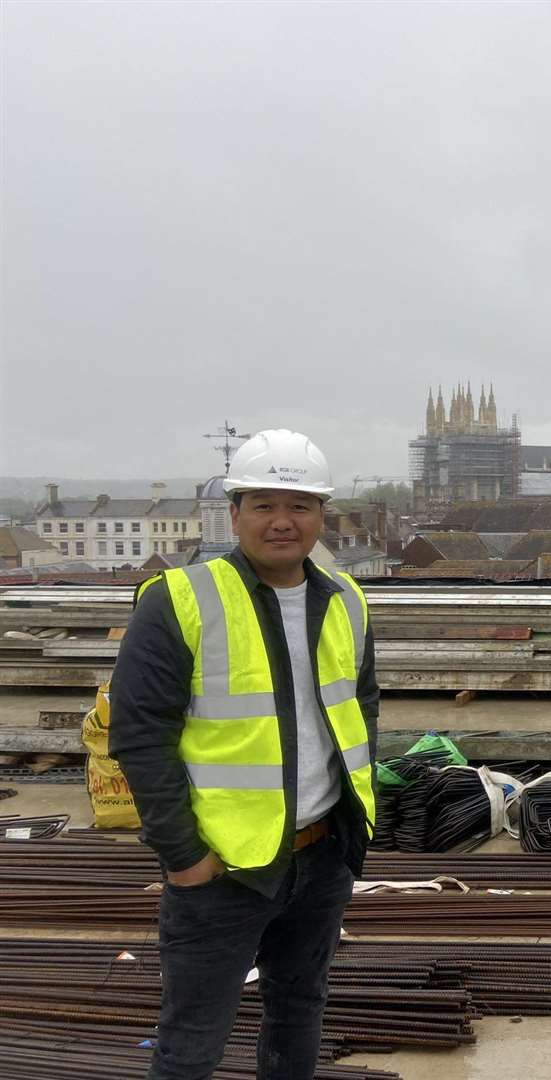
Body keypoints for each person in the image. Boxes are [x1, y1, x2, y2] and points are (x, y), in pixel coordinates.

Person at [110, 428, 378, 1080]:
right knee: (191, 1044)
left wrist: (350, 828)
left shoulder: (346, 599)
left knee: (298, 1012)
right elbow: (140, 735)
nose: (282, 521)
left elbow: (361, 709)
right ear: (235, 514)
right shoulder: (179, 600)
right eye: (263, 505)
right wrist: (185, 859)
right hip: (222, 871)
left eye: (299, 505)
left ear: (322, 515)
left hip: (320, 857)